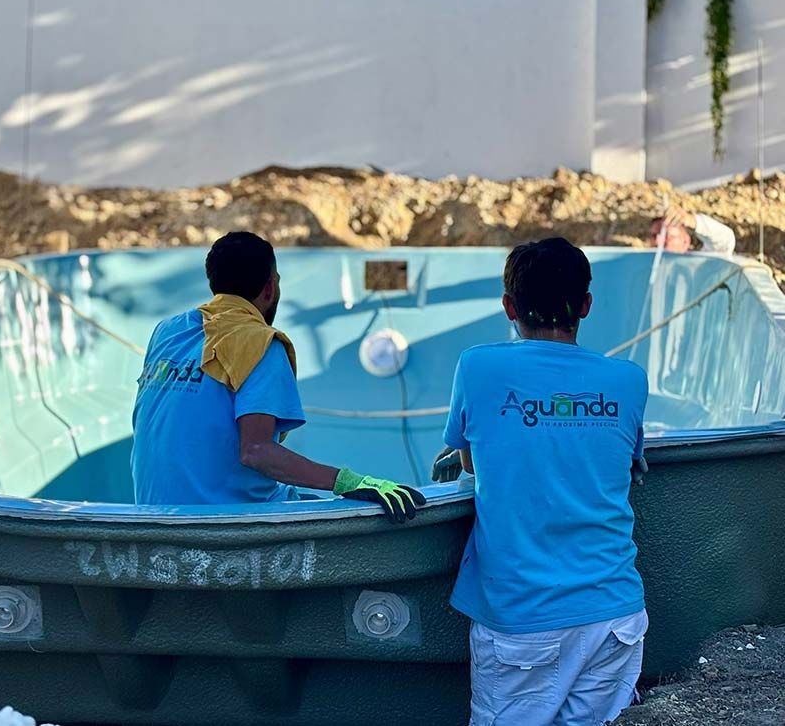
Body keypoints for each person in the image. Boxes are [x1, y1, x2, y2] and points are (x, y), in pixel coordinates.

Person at [443, 237, 649, 725]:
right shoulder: (628, 379)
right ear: (585, 306)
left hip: (522, 621)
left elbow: (471, 463)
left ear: (509, 306)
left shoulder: (479, 366)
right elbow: (624, 463)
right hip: (615, 615)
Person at [132, 231, 425, 522]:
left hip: (154, 518)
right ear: (270, 288)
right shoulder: (261, 343)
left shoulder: (167, 332)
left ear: (213, 283)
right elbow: (256, 452)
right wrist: (351, 482)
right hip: (225, 520)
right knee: (345, 514)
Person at [651, 204, 736, 255]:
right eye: (654, 236)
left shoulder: (698, 269)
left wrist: (691, 221)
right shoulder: (644, 273)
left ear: (685, 241)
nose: (657, 241)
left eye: (666, 236)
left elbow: (725, 241)